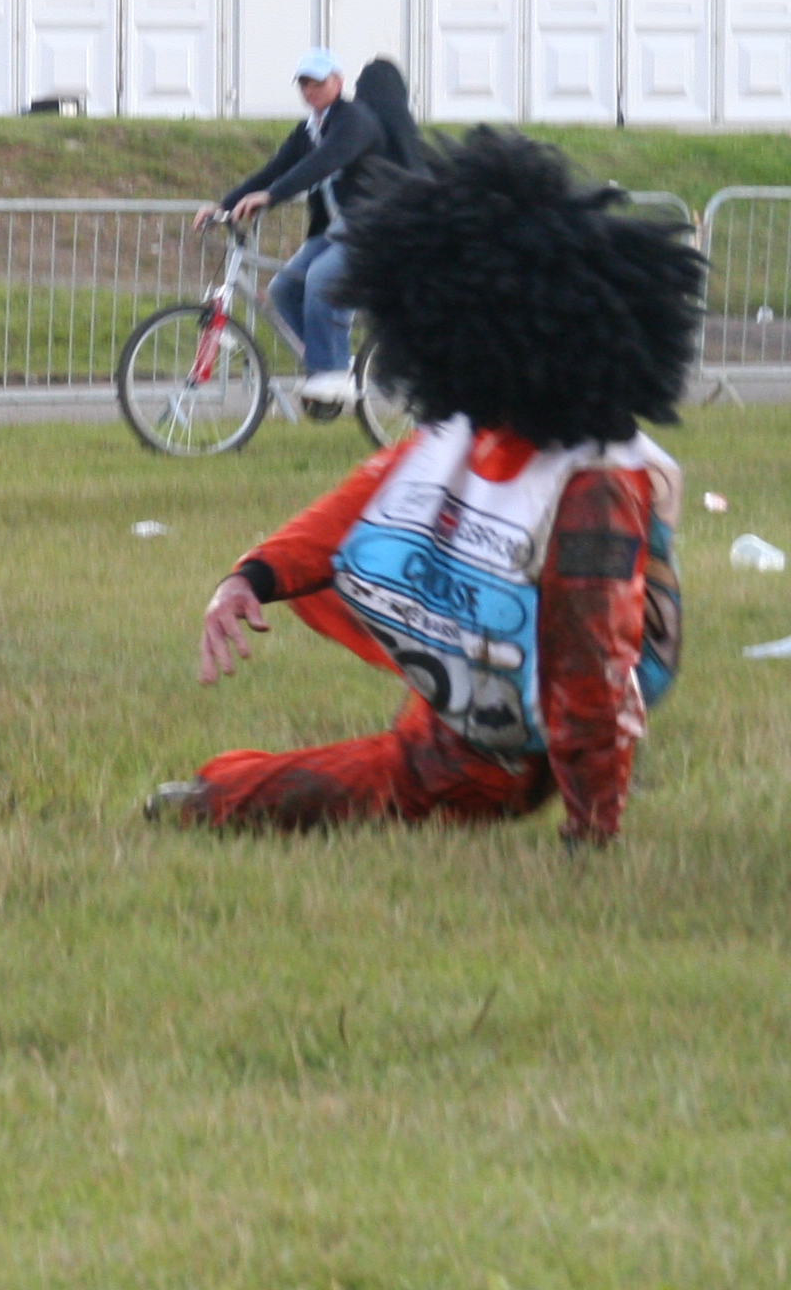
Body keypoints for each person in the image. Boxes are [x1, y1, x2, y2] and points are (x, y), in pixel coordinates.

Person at [153, 130, 698, 848]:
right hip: (474, 702)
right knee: (385, 779)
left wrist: (592, 827)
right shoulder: (471, 429)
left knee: (440, 781)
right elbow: (358, 510)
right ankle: (215, 798)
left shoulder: (596, 483)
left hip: (528, 720)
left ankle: (219, 800)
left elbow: (591, 668)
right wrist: (249, 578)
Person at [197, 47, 397, 412]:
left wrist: (271, 196)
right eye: (304, 83)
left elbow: (323, 162)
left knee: (322, 279)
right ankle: (335, 365)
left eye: (318, 82)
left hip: (374, 227)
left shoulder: (355, 120)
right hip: (336, 231)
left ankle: (332, 371)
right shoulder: (309, 129)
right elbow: (275, 169)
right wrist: (223, 206)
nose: (310, 90)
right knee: (284, 289)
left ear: (338, 82)